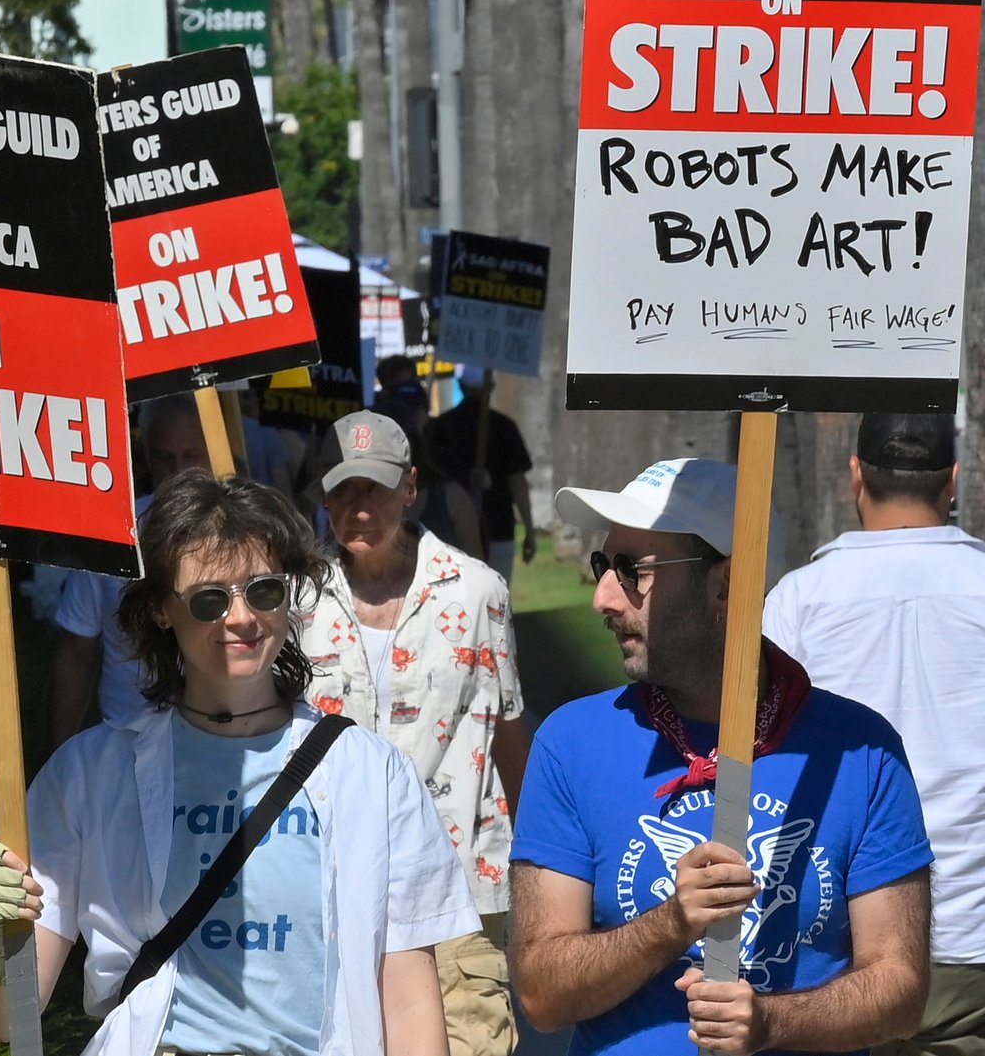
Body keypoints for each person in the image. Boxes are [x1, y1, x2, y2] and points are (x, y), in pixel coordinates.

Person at [0, 472, 479, 1056]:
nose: (242, 618)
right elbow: (13, 1020)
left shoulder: (375, 776)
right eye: (210, 598)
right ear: (161, 607)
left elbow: (410, 1003)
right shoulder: (87, 776)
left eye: (264, 590)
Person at [510, 457, 935, 1056]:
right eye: (604, 565)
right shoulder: (570, 743)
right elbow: (541, 995)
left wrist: (771, 1024)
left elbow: (902, 992)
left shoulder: (859, 751)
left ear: (726, 585)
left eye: (633, 570)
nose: (603, 597)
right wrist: (670, 924)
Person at [763, 413, 985, 1056]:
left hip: (840, 935)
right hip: (976, 935)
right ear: (952, 480)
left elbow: (757, 744)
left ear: (856, 475)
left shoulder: (796, 601)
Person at [298, 411, 528, 1056]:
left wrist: (541, 870)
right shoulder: (296, 599)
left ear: (410, 487)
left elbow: (508, 733)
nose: (359, 507)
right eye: (344, 489)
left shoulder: (478, 592)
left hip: (457, 885)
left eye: (373, 487)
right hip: (328, 884)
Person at [49, 394, 212, 744]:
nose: (179, 472)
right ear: (147, 457)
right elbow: (76, 652)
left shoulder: (238, 535)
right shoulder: (113, 535)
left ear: (212, 451)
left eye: (192, 456)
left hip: (215, 740)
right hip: (126, 741)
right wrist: (57, 759)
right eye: (166, 458)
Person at [424, 367, 536, 585]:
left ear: (461, 386)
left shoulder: (439, 427)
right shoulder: (504, 426)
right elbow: (518, 484)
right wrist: (529, 531)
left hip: (449, 529)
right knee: (496, 599)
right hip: (495, 528)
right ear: (490, 387)